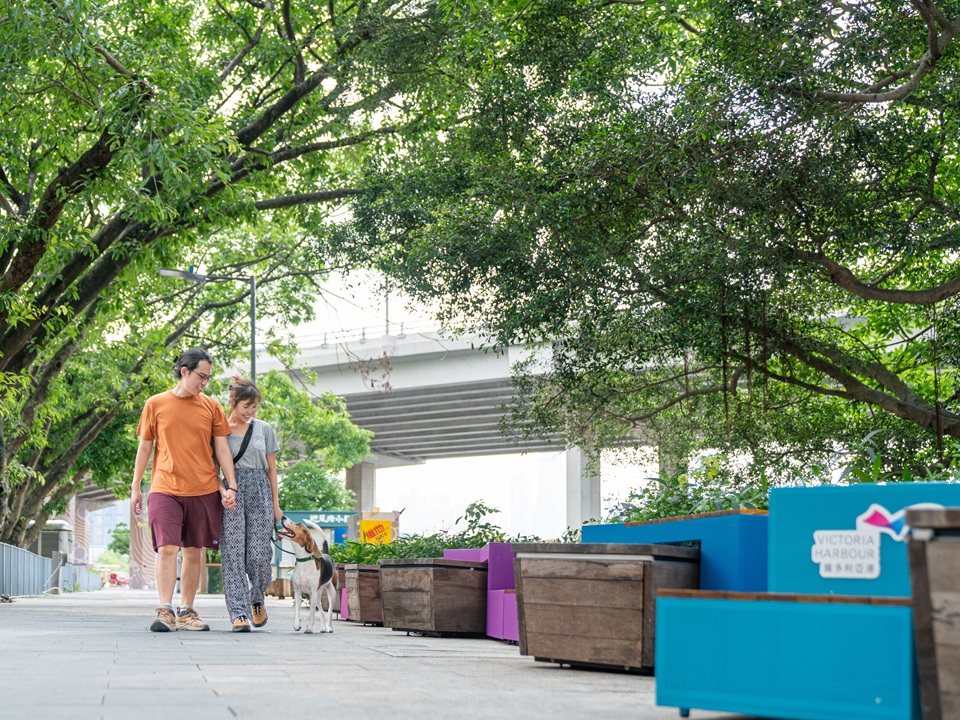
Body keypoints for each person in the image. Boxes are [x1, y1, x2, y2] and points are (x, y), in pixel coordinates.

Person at [131, 349, 238, 632]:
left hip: (203, 488)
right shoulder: (155, 404)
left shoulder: (212, 407)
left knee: (193, 551)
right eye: (201, 376)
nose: (204, 382)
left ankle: (187, 610)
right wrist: (136, 487)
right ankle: (165, 609)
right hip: (164, 487)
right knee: (167, 548)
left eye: (208, 378)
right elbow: (145, 446)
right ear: (184, 371)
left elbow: (222, 448)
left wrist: (231, 485)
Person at [219, 378, 281, 632]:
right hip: (232, 493)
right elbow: (212, 469)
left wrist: (276, 505)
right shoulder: (219, 430)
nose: (250, 411)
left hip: (260, 490)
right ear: (233, 402)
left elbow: (272, 469)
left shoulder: (264, 429)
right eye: (246, 405)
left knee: (258, 554)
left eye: (255, 406)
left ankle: (256, 597)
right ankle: (238, 612)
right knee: (233, 553)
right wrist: (223, 491)